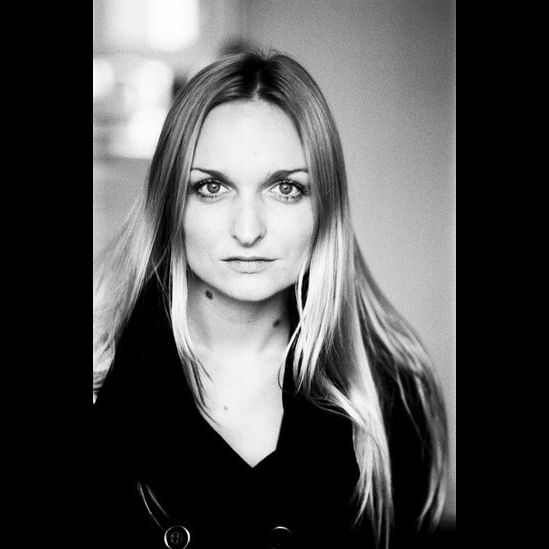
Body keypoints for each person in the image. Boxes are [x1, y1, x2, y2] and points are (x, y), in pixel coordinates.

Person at [93, 51, 448, 549]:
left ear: (325, 205)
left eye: (285, 188)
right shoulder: (101, 376)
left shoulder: (392, 389)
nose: (248, 230)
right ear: (170, 201)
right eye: (211, 187)